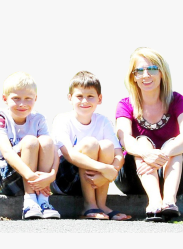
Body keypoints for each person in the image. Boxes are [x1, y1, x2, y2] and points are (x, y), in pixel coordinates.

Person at [114, 47, 183, 222]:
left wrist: (162, 155)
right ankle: (154, 202)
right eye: (139, 70)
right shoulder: (125, 104)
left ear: (162, 73)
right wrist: (146, 154)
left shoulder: (177, 100)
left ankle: (169, 202)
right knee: (141, 142)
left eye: (152, 69)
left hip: (173, 175)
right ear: (133, 76)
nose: (146, 75)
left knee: (175, 144)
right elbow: (124, 139)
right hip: (134, 175)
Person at [50, 71, 131, 221]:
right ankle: (89, 204)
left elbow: (119, 154)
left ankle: (101, 204)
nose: (84, 101)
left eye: (90, 96)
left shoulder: (103, 121)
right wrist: (104, 169)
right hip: (64, 180)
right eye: (79, 96)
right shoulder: (62, 119)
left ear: (99, 99)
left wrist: (110, 170)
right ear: (70, 98)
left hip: (95, 178)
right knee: (90, 143)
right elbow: (69, 155)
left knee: (107, 146)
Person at [0, 72, 60, 219]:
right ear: (5, 99)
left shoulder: (38, 119)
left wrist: (51, 175)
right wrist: (31, 177)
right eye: (16, 99)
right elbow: (7, 152)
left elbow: (53, 150)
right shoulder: (0, 115)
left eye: (28, 99)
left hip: (33, 179)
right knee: (30, 141)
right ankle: (29, 202)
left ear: (35, 99)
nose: (22, 104)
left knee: (46, 141)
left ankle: (43, 202)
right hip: (4, 176)